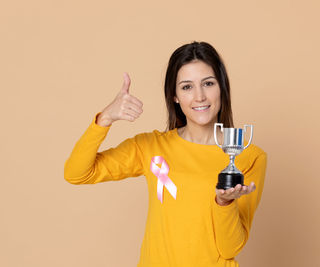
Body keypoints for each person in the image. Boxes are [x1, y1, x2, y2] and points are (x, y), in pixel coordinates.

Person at [64, 41, 267, 267]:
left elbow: (230, 248)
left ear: (222, 88)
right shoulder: (150, 147)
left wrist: (224, 203)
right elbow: (76, 173)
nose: (199, 96)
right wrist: (105, 119)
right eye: (187, 87)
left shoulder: (249, 157)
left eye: (208, 83)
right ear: (175, 96)